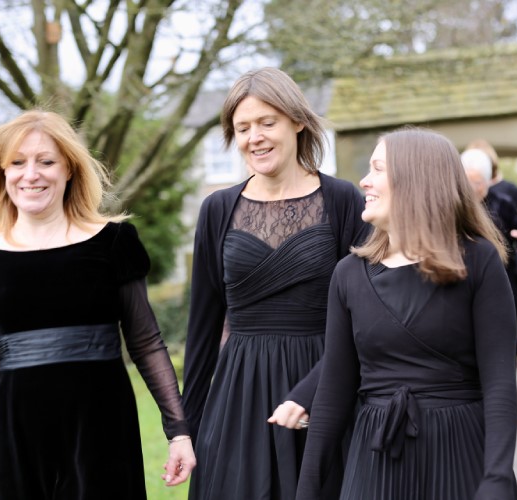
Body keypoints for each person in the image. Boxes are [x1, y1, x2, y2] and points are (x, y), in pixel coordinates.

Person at [0, 110, 195, 498]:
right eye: (17, 163)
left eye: (46, 161)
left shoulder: (114, 243)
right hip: (16, 434)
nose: (31, 174)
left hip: (102, 429)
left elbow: (146, 343)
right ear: (2, 173)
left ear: (69, 170)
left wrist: (178, 432)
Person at [294, 127, 517, 499]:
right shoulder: (348, 275)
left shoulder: (477, 261)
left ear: (415, 178)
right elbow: (333, 391)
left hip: (460, 454)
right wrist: (307, 491)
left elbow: (499, 383)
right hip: (376, 461)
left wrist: (496, 479)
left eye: (377, 169)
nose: (364, 181)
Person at [179, 67, 369, 500]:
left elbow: (365, 317)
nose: (255, 138)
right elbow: (202, 330)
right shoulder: (217, 209)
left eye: (267, 123)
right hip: (239, 394)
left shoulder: (343, 201)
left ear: (297, 121)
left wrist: (318, 390)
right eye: (243, 128)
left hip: (325, 384)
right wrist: (184, 430)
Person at [461, 147, 517, 353]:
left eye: (477, 183)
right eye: (467, 182)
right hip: (467, 279)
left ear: (488, 181)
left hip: (505, 276)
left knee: (506, 336)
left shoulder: (503, 203)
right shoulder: (454, 207)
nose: (472, 188)